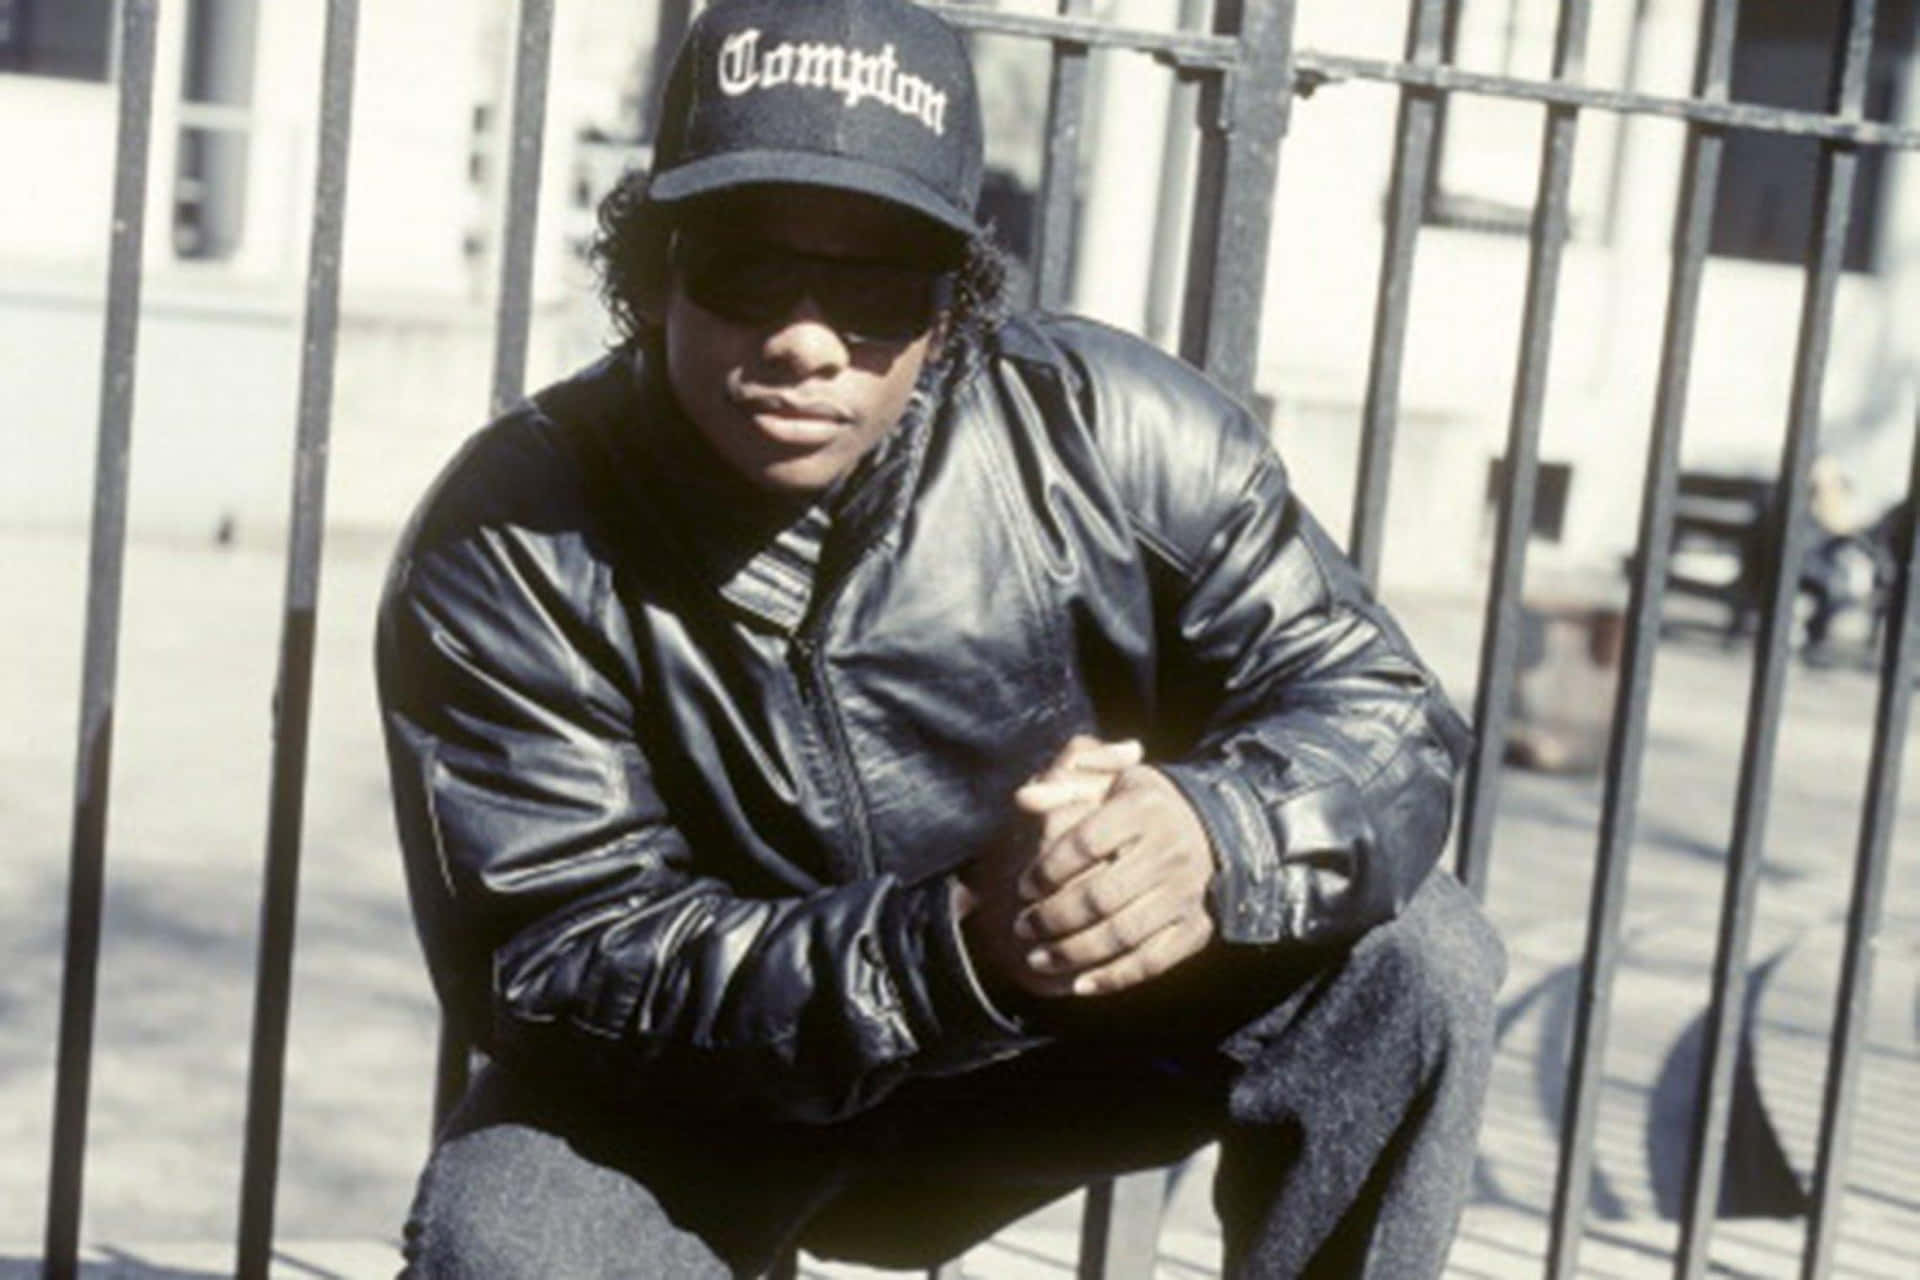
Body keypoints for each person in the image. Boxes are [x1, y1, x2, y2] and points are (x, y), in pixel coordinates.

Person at [375, 0, 1505, 1274]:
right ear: (653, 268)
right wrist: (955, 942)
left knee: (1418, 959)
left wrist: (1210, 834)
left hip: (1055, 1049)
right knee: (514, 1240)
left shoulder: (1117, 431)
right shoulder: (514, 530)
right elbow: (557, 962)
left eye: (873, 283)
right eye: (746, 262)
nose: (805, 342)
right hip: (699, 1103)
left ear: (951, 299)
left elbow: (1383, 710)